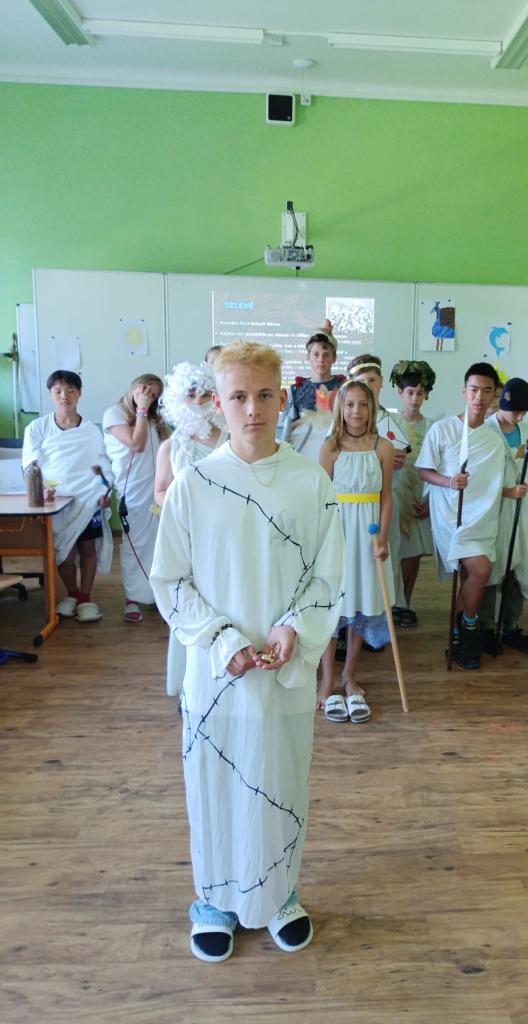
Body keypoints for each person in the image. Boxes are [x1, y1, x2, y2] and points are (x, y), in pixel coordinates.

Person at [149, 341, 344, 963]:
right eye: (238, 397)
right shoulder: (194, 484)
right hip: (216, 676)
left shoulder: (310, 483)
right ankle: (214, 899)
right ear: (218, 402)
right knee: (214, 785)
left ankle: (279, 894)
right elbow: (171, 581)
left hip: (285, 674)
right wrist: (222, 638)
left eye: (263, 395)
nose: (252, 409)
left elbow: (326, 576)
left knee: (280, 778)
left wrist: (294, 627)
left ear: (282, 398)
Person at [416, 362, 514, 670]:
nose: (479, 397)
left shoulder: (494, 439)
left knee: (475, 574)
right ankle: (468, 624)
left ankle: (458, 635)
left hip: (481, 518)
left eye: (486, 391)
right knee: (481, 570)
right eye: (474, 390)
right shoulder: (442, 429)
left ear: (495, 395)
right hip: (449, 515)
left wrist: (511, 491)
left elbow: (492, 483)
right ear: (464, 392)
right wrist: (449, 481)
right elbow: (423, 470)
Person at [317, 379, 394, 723]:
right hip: (338, 533)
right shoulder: (330, 447)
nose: (356, 411)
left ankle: (349, 676)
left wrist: (383, 538)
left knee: (359, 605)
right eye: (350, 404)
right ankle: (327, 681)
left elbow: (387, 496)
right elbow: (321, 499)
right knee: (334, 607)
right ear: (341, 408)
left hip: (368, 535)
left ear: (371, 408)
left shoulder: (382, 447)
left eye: (363, 404)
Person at [154, 361, 226, 698]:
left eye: (204, 393)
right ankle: (192, 685)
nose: (198, 399)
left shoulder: (233, 440)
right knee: (191, 602)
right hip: (189, 537)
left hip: (228, 535)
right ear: (177, 399)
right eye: (190, 393)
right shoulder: (171, 447)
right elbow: (160, 491)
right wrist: (184, 506)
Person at [22, 370, 113, 622]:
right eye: (58, 391)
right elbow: (30, 464)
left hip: (88, 499)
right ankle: (71, 593)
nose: (65, 396)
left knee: (88, 549)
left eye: (71, 390)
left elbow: (104, 465)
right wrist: (42, 488)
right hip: (56, 501)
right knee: (65, 552)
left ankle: (85, 597)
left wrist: (105, 491)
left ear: (79, 393)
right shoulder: (37, 428)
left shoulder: (91, 431)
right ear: (50, 394)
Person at [478, 378, 528, 655]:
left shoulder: (526, 431)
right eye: (516, 411)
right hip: (495, 510)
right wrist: (506, 491)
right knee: (493, 566)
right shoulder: (487, 431)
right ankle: (486, 627)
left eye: (524, 412)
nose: (520, 417)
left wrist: (519, 491)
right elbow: (482, 478)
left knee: (519, 565)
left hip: (521, 510)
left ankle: (510, 626)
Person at [347, 353, 410, 621]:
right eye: (362, 381)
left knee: (385, 556)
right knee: (352, 561)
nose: (368, 386)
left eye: (372, 380)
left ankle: (382, 614)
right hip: (351, 504)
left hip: (383, 499)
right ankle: (350, 619)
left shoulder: (389, 421)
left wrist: (395, 460)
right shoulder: (345, 420)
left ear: (381, 382)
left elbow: (400, 459)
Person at [103, 373, 168, 622]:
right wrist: (141, 409)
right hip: (133, 494)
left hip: (157, 492)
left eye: (154, 395)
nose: (148, 397)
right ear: (134, 387)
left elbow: (168, 450)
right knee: (133, 546)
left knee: (160, 546)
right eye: (145, 390)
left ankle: (157, 596)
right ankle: (132, 598)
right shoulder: (114, 414)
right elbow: (136, 444)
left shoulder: (154, 419)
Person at [388, 359, 437, 623]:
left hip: (421, 494)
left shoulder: (432, 426)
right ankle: (393, 602)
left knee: (414, 551)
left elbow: (437, 464)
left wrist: (429, 500)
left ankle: (405, 601)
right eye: (410, 392)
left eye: (420, 393)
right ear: (400, 392)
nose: (415, 398)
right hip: (397, 493)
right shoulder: (391, 423)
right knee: (396, 549)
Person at [282, 322, 346, 460]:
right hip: (303, 458)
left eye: (326, 355)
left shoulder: (344, 388)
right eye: (316, 354)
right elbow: (287, 429)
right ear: (308, 357)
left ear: (334, 358)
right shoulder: (296, 390)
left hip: (337, 457)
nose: (321, 360)